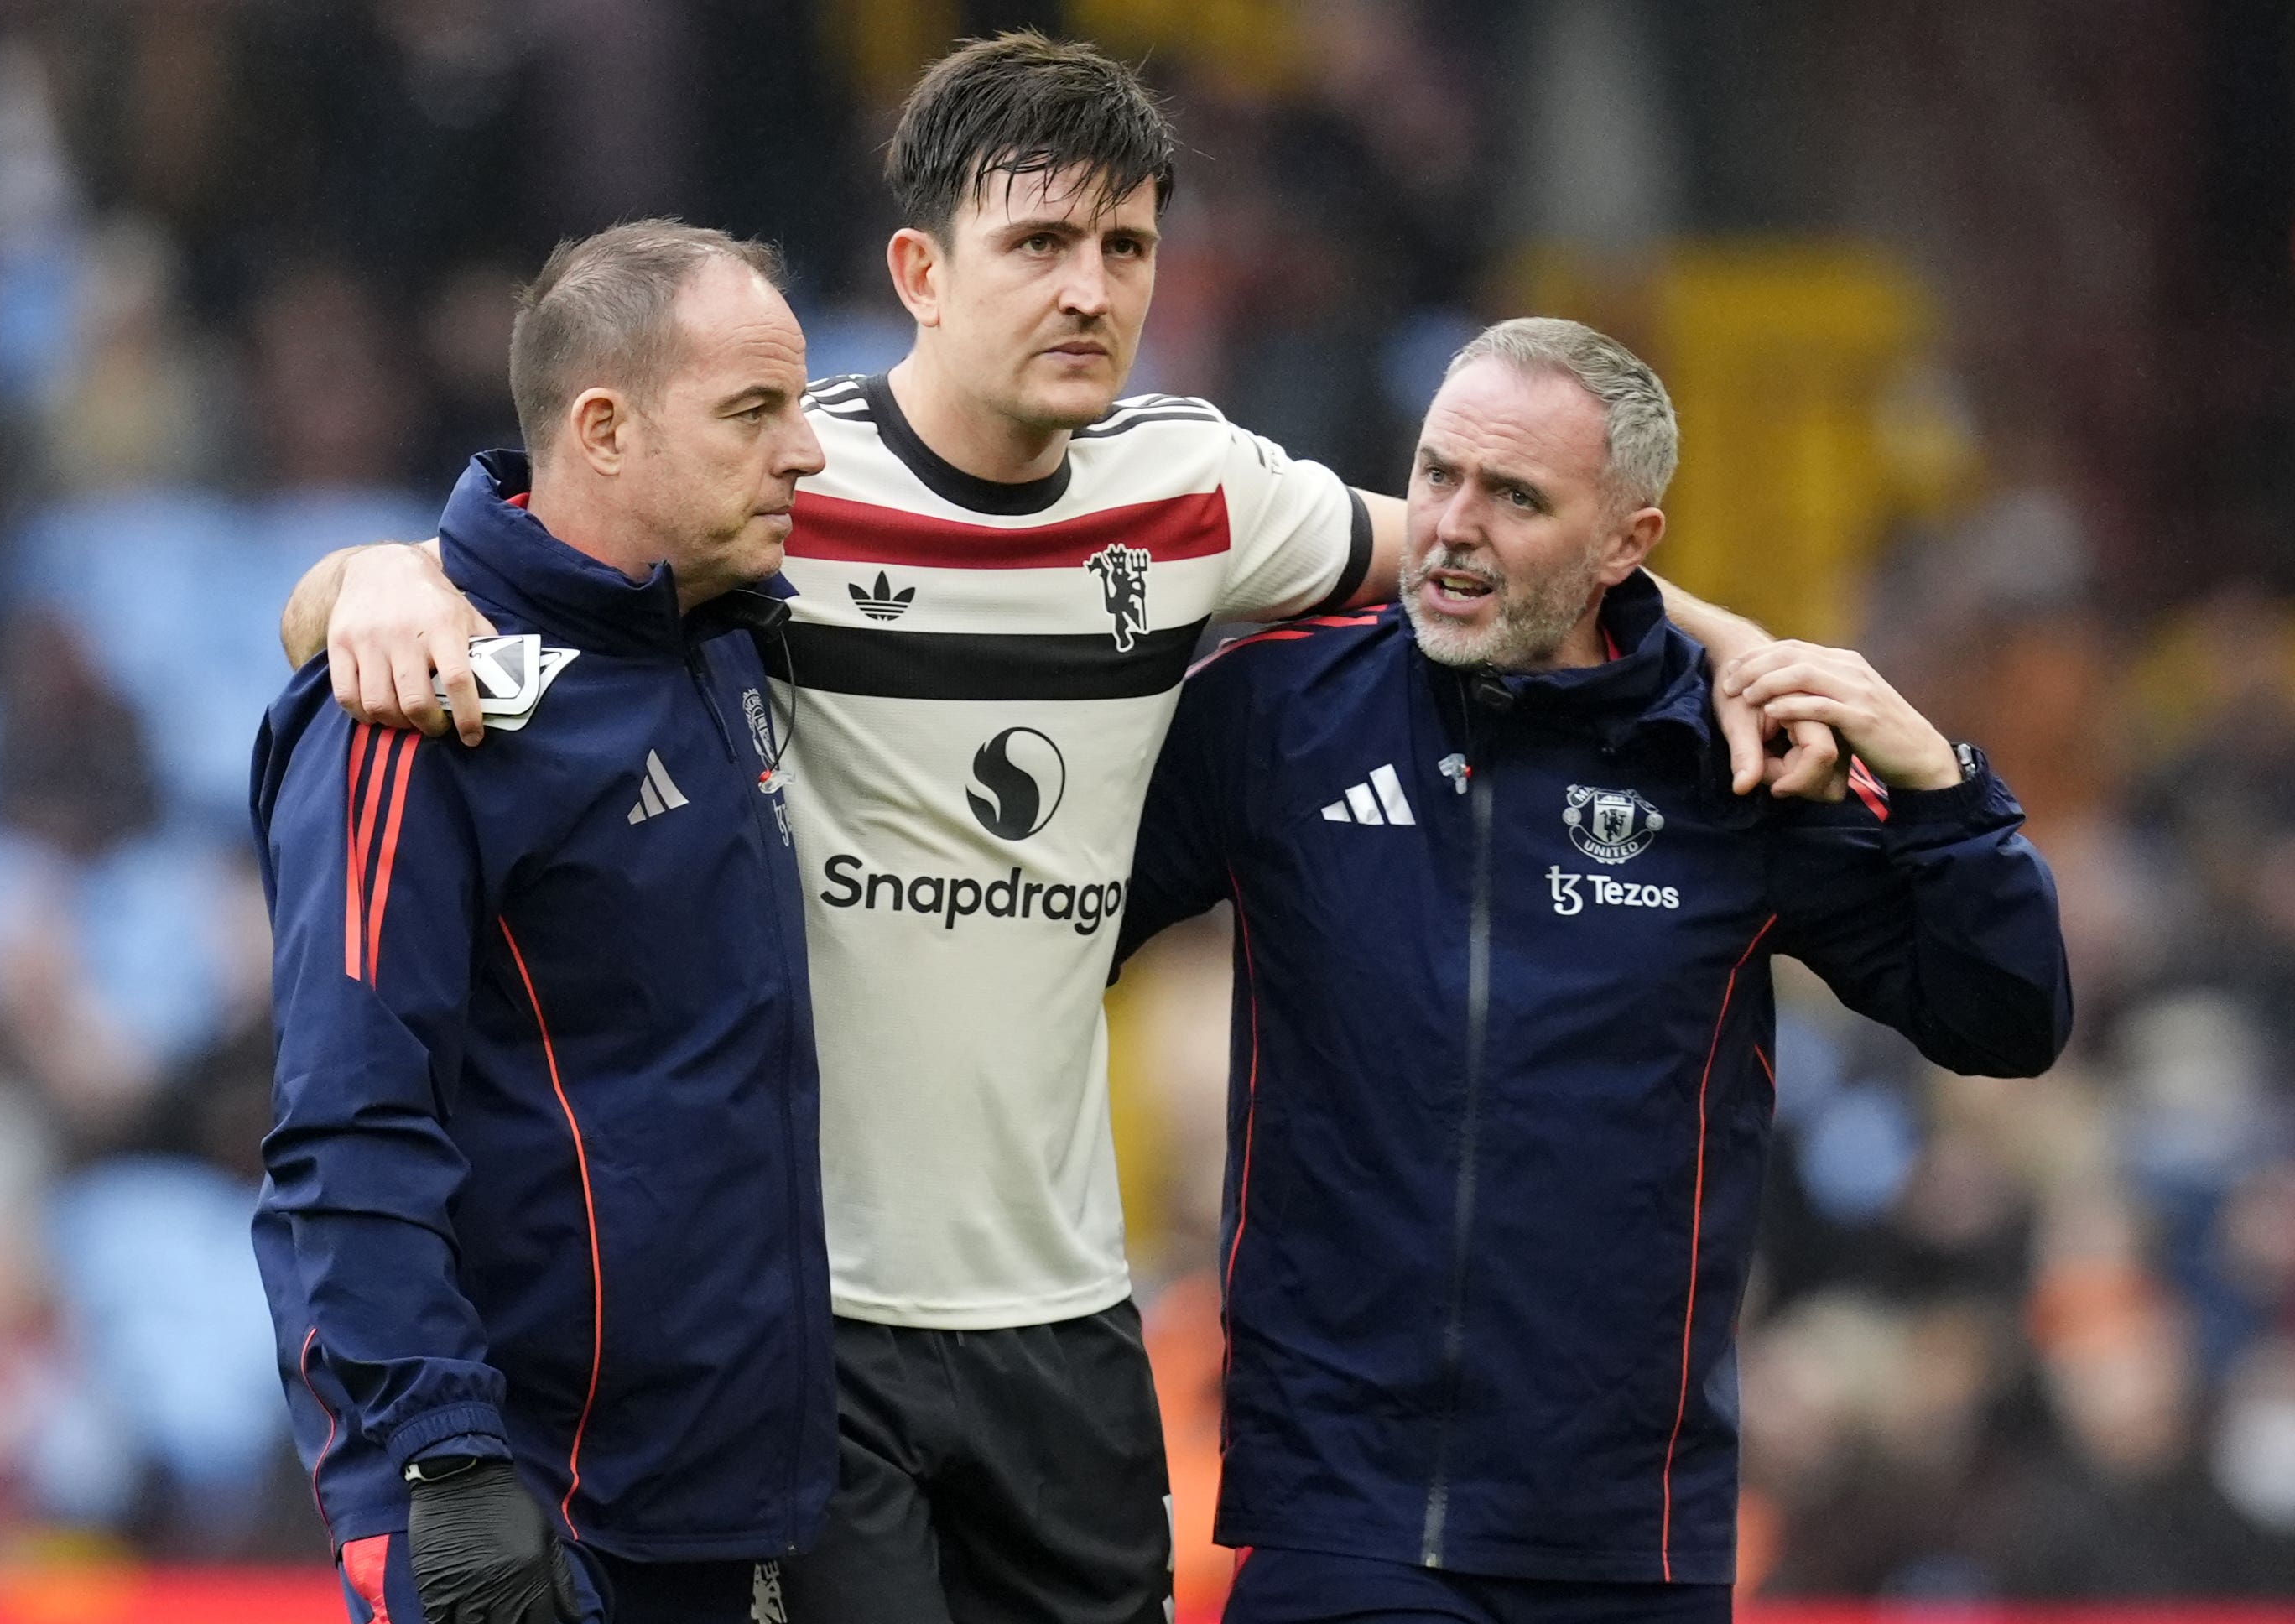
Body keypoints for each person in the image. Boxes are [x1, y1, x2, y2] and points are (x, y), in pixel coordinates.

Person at [277, 35, 1835, 1624]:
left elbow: (1492, 557)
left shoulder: (1196, 494)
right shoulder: (778, 481)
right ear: (921, 270)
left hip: (1066, 1314)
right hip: (815, 1325)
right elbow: (553, 545)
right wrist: (369, 578)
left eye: (1127, 246)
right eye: (1037, 243)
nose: (1090, 289)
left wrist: (1740, 649)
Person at [1116, 317, 2073, 1623]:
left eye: (1515, 496)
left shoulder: (1737, 758)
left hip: (1631, 1539)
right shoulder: (1278, 712)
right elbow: (1053, 928)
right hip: (1341, 1520)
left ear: (1630, 543)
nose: (1452, 524)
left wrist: (1941, 783)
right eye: (1438, 472)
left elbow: (2006, 1018)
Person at [250, 221, 832, 1624]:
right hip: (525, 1507)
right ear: (605, 429)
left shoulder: (733, 634)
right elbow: (346, 1126)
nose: (807, 450)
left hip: (726, 1504)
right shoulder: (410, 703)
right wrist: (443, 1464)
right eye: (757, 412)